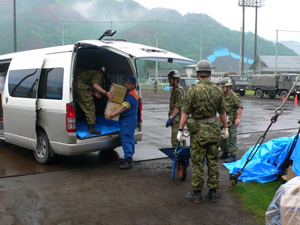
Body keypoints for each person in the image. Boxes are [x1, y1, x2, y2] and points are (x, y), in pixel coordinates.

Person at [177, 60, 228, 204]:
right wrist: (225, 128)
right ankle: (213, 193)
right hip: (213, 131)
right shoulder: (218, 90)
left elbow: (185, 113)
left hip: (198, 133)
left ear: (198, 73)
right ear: (210, 74)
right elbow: (222, 113)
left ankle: (197, 194)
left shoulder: (193, 90)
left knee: (198, 163)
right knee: (212, 162)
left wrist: (180, 130)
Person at [105, 75, 139, 170]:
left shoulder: (131, 96)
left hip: (128, 120)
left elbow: (123, 108)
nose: (127, 84)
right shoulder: (129, 92)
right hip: (128, 119)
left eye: (129, 83)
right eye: (126, 82)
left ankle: (128, 160)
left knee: (126, 138)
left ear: (133, 84)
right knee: (129, 137)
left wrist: (111, 115)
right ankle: (130, 157)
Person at [74, 66, 113, 134]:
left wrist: (95, 94)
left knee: (80, 105)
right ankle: (91, 128)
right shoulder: (96, 73)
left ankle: (77, 121)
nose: (100, 76)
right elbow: (95, 85)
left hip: (76, 88)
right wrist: (106, 93)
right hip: (80, 88)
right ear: (100, 72)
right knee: (90, 107)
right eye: (101, 74)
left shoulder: (88, 74)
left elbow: (85, 89)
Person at [218, 77, 243, 163]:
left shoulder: (234, 96)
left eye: (223, 87)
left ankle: (233, 155)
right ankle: (225, 152)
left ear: (228, 87)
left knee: (231, 138)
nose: (222, 89)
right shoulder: (222, 96)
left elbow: (240, 107)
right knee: (222, 138)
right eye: (221, 87)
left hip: (231, 121)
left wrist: (238, 119)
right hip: (223, 119)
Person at [165, 70, 185, 147]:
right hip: (176, 119)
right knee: (180, 138)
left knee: (175, 140)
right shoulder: (174, 89)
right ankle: (183, 157)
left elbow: (178, 105)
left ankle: (178, 157)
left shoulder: (178, 90)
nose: (169, 81)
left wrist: (171, 117)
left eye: (170, 79)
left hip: (178, 119)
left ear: (175, 80)